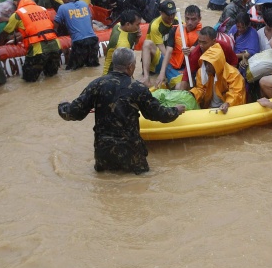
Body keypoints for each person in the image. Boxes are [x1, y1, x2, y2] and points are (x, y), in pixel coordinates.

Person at [57, 47, 186, 174]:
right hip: (131, 152)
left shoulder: (96, 85)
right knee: (141, 183)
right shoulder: (137, 88)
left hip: (104, 152)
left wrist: (63, 105)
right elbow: (158, 114)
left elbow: (73, 113)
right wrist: (176, 110)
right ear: (130, 66)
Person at [0, 0, 61, 82]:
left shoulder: (18, 14)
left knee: (29, 81)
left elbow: (4, 34)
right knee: (52, 79)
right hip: (56, 46)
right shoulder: (42, 9)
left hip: (38, 50)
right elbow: (40, 28)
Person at [188, 44, 245, 112]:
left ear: (217, 63)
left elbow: (236, 93)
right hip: (209, 108)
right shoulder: (202, 72)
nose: (207, 67)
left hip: (229, 108)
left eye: (210, 64)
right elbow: (201, 89)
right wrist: (192, 94)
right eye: (206, 63)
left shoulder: (233, 74)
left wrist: (227, 103)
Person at [54, 0, 101, 70]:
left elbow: (55, 27)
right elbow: (90, 23)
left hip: (79, 43)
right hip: (93, 40)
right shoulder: (84, 4)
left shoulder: (62, 8)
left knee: (72, 70)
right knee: (92, 68)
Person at [140, 0, 179, 87]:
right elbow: (164, 52)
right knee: (147, 43)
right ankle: (146, 76)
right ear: (161, 13)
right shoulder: (155, 26)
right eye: (168, 14)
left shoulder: (178, 22)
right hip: (161, 56)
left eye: (173, 13)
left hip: (172, 56)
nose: (171, 16)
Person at [168, 5, 202, 87]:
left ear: (199, 19)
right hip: (174, 63)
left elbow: (194, 49)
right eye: (187, 18)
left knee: (178, 87)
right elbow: (168, 51)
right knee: (148, 44)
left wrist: (189, 51)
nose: (190, 22)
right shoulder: (175, 29)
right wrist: (161, 74)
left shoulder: (202, 35)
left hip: (189, 67)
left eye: (193, 19)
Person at [102, 9, 143, 75]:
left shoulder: (118, 26)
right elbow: (125, 68)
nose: (139, 27)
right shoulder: (123, 44)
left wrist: (137, 38)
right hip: (114, 74)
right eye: (137, 24)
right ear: (128, 24)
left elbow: (133, 44)